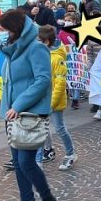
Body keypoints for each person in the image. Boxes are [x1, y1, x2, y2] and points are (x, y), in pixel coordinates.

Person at [0, 10, 57, 201]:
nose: (2, 33)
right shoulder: (13, 48)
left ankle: (48, 198)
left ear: (15, 29)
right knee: (17, 161)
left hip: (29, 114)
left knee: (26, 162)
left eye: (4, 29)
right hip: (12, 113)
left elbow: (42, 80)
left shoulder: (36, 48)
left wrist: (18, 105)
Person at [37, 25, 78, 170]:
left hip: (53, 102)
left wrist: (51, 103)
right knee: (40, 129)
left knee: (59, 128)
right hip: (42, 100)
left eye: (39, 40)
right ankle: (40, 158)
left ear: (46, 41)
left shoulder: (57, 59)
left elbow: (60, 84)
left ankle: (70, 154)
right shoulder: (42, 55)